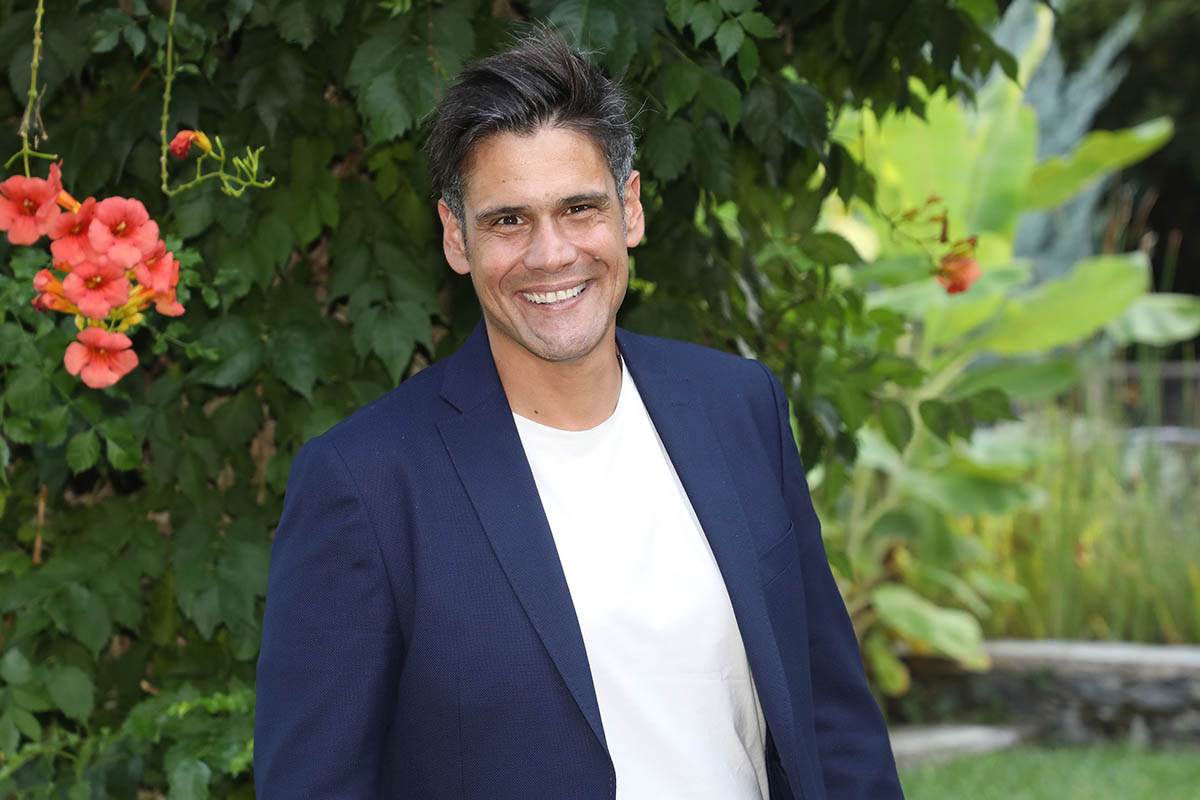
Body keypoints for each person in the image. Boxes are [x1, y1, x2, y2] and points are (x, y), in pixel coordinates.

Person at [254, 28, 903, 800]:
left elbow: (832, 718)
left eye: (579, 208)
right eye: (508, 220)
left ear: (631, 210)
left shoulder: (739, 407)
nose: (552, 253)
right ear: (456, 239)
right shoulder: (365, 483)